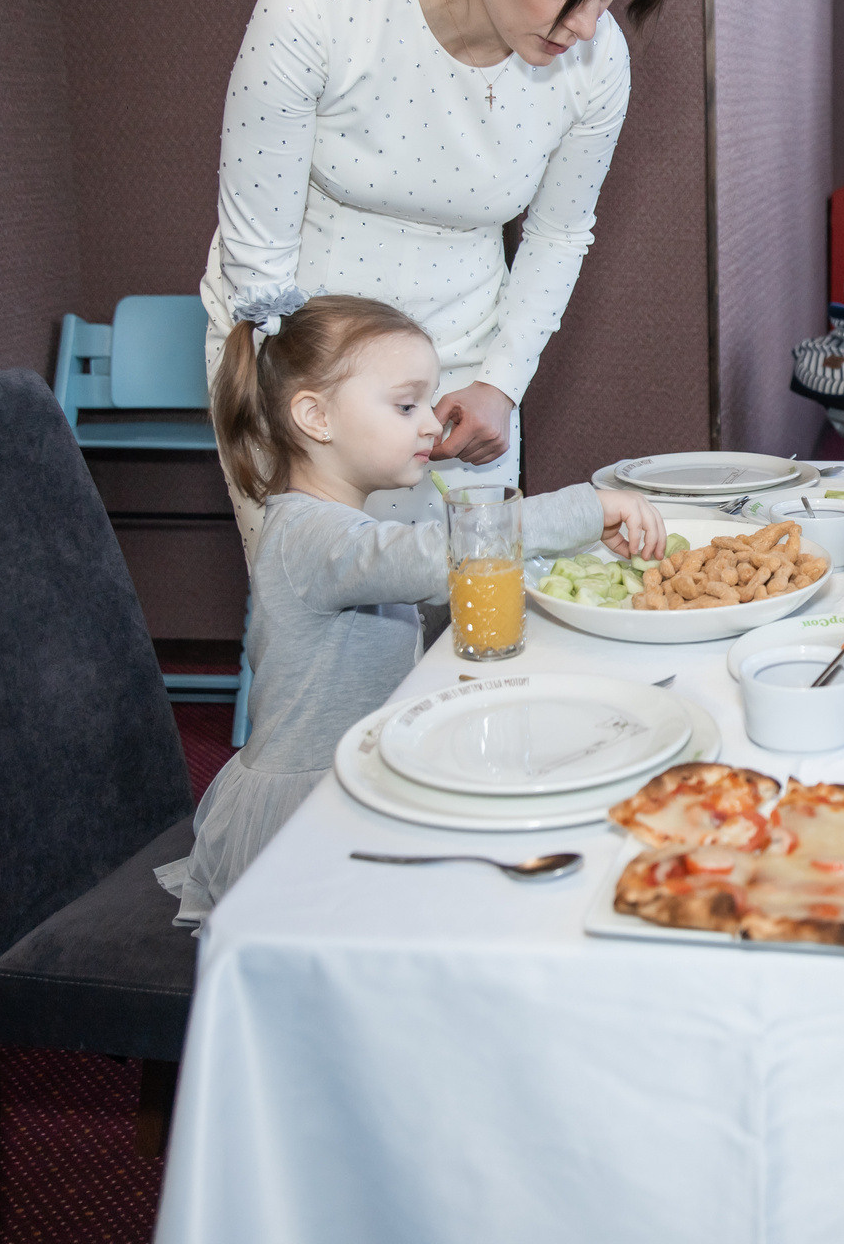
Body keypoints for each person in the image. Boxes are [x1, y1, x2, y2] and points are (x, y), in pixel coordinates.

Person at [200, 0, 676, 546]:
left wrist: (500, 385)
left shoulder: (595, 63)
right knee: (328, 632)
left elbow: (558, 235)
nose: (586, 25)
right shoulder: (320, 1)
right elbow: (258, 258)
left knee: (473, 619)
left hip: (464, 372)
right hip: (300, 365)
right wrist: (320, 415)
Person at [156, 296, 665, 926]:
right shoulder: (306, 537)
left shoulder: (337, 523)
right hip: (312, 808)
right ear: (315, 417)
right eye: (405, 406)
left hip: (360, 767)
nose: (430, 425)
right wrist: (588, 507)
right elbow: (434, 560)